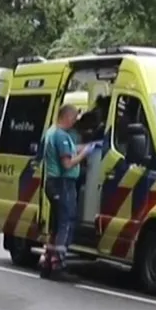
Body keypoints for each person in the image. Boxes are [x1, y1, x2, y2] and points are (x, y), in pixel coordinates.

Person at [38, 103, 92, 279]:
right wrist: (84, 155)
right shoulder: (61, 135)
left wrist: (82, 147)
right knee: (65, 222)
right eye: (74, 118)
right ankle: (58, 265)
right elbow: (67, 163)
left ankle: (47, 262)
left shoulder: (52, 132)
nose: (75, 122)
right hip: (63, 183)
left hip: (52, 183)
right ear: (67, 117)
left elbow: (67, 150)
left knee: (55, 224)